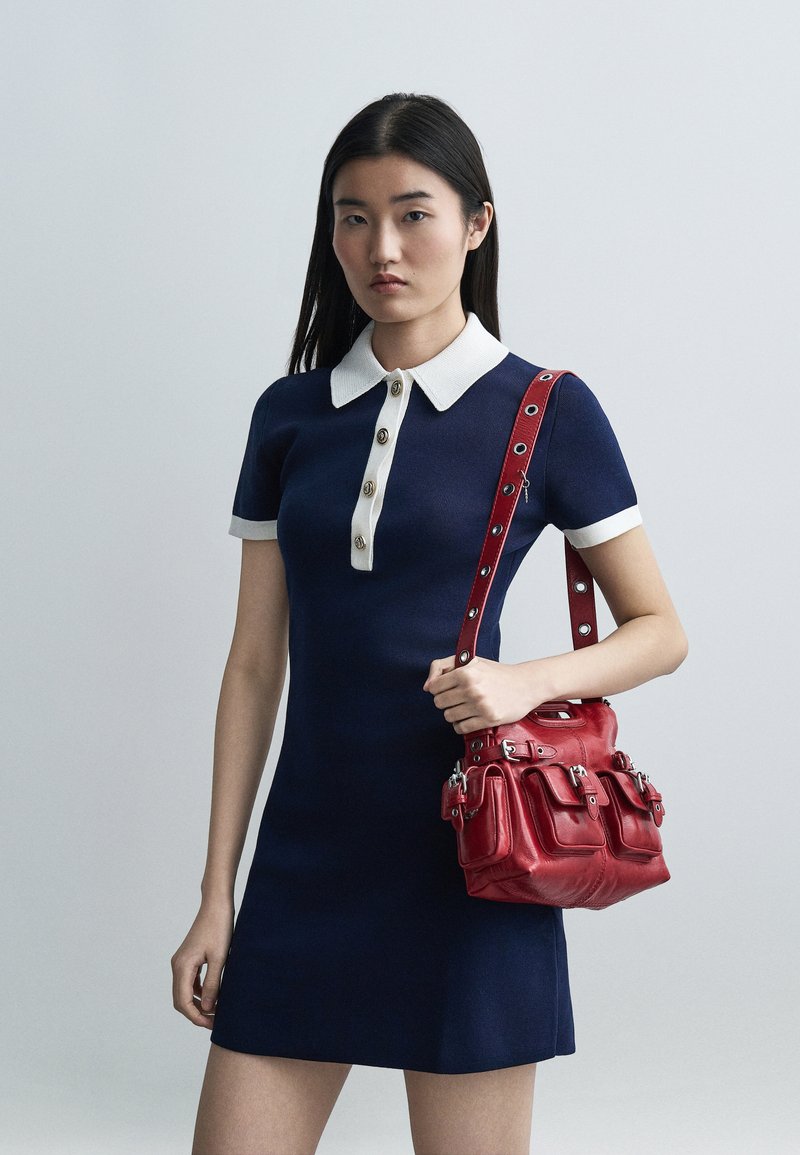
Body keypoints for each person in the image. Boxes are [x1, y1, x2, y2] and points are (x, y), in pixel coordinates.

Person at [171, 91, 688, 1155]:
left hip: (473, 856)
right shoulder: (289, 415)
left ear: (476, 223)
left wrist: (525, 681)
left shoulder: (547, 409)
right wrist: (217, 894)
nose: (382, 248)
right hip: (305, 860)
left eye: (413, 215)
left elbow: (658, 629)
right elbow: (254, 665)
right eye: (353, 218)